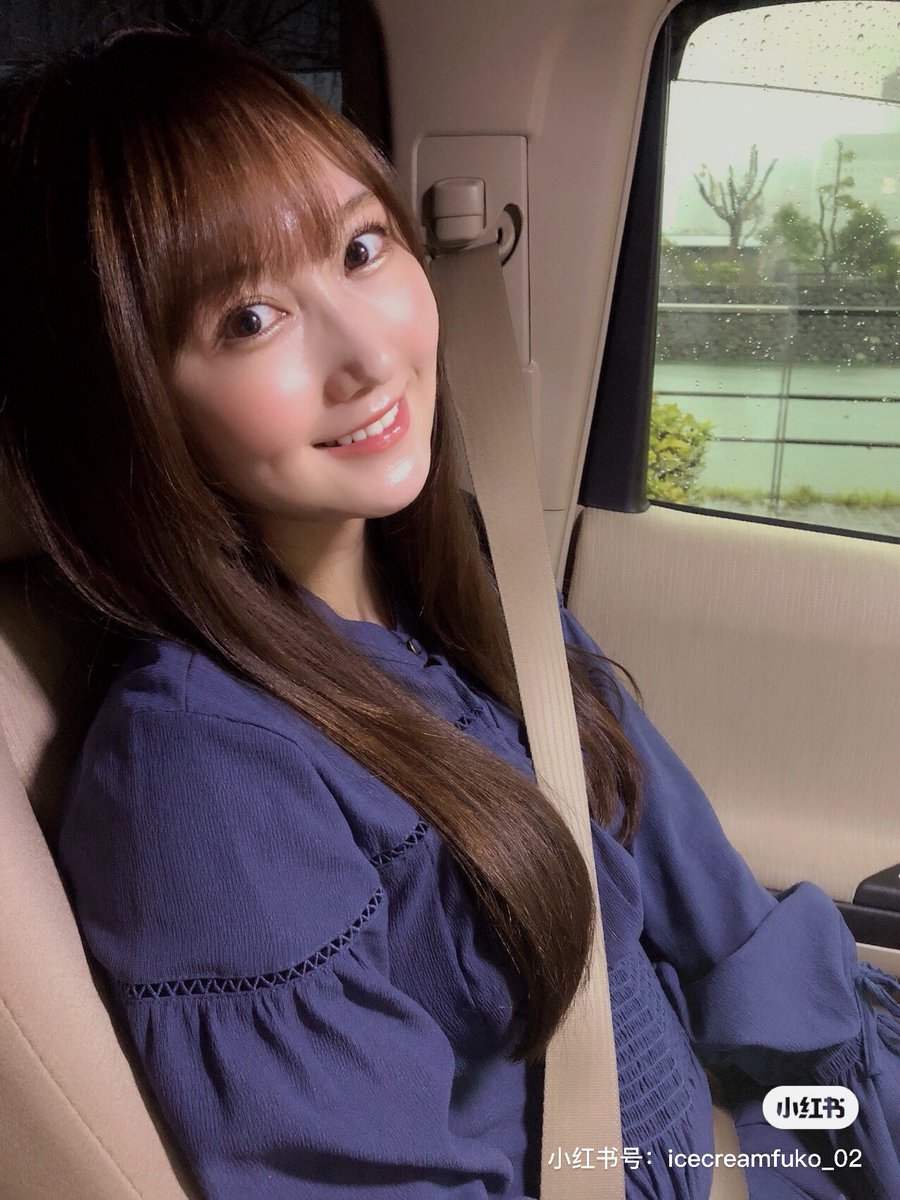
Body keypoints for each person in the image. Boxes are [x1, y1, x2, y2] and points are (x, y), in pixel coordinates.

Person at [0, 24, 897, 1200]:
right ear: (126, 401)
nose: (368, 353)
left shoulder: (476, 598)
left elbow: (729, 932)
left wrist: (854, 1128)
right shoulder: (205, 781)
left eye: (361, 247)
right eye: (249, 319)